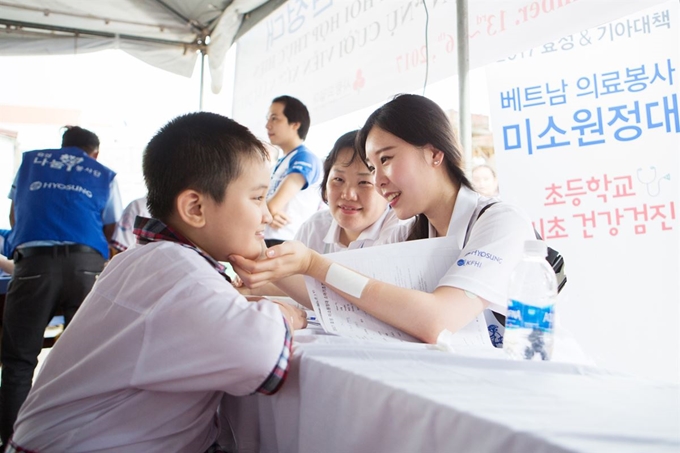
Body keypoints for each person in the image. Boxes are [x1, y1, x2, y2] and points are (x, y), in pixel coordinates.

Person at [7, 112, 306, 452]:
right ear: (195, 208)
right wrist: (286, 313)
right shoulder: (177, 268)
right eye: (257, 197)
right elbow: (260, 355)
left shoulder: (150, 261)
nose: (267, 214)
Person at [229, 94, 536, 346]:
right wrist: (259, 257)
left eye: (386, 160)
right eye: (373, 168)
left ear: (434, 153)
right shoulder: (406, 236)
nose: (378, 182)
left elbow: (437, 322)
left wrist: (314, 264)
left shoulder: (500, 223)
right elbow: (346, 299)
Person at [0, 126, 123, 446]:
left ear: (63, 146)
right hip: (86, 265)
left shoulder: (30, 163)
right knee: (87, 359)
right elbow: (111, 227)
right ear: (93, 151)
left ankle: (13, 442)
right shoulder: (104, 173)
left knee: (19, 360)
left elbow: (16, 214)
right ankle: (83, 441)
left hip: (34, 263)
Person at [236, 130, 413, 300]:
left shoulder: (400, 231)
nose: (348, 194)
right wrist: (252, 287)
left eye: (364, 182)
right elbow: (301, 287)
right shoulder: (315, 227)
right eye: (338, 179)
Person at [264, 95, 322, 247]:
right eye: (268, 119)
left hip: (287, 241)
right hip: (270, 239)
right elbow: (267, 208)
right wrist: (268, 213)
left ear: (295, 124)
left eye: (274, 118)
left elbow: (271, 207)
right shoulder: (283, 161)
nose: (267, 125)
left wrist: (269, 211)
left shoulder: (304, 157)